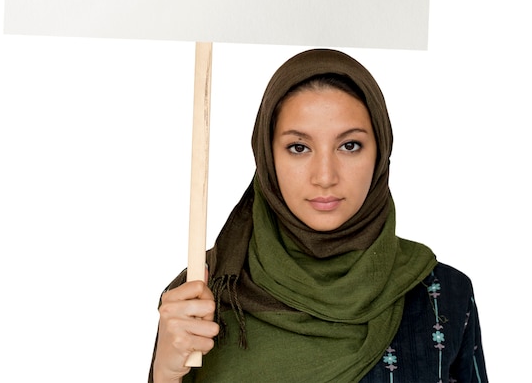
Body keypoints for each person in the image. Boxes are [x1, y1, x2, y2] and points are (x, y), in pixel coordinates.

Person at [148, 48, 487, 382]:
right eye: (299, 147)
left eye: (349, 145)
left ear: (381, 151)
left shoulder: (443, 296)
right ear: (267, 157)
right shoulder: (200, 296)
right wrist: (164, 373)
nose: (325, 176)